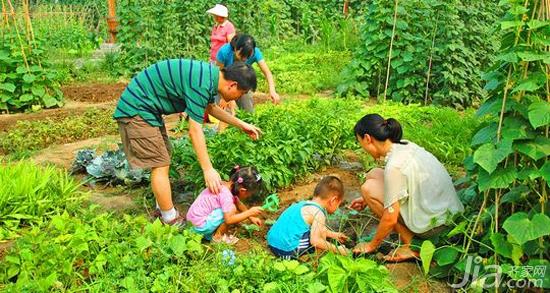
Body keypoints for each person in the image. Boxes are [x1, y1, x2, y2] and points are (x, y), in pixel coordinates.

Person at [113, 59, 261, 227]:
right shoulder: (202, 83)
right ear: (232, 85)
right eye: (241, 94)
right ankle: (169, 219)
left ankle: (162, 209)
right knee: (160, 163)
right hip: (137, 110)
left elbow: (210, 108)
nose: (239, 97)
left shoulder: (209, 77)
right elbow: (195, 130)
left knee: (163, 157)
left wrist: (242, 124)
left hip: (147, 110)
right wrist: (208, 169)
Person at [349, 114, 464, 262]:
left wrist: (371, 245)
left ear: (367, 138)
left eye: (360, 143)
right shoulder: (404, 145)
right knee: (374, 174)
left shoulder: (394, 166)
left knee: (369, 189)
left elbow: (390, 218)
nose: (363, 149)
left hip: (436, 226)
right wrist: (367, 200)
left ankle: (411, 245)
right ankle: (412, 242)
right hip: (449, 216)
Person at [267, 176, 349, 259]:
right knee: (319, 240)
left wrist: (333, 235)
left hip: (272, 243)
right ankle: (314, 259)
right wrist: (337, 249)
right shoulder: (319, 213)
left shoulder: (302, 204)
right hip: (286, 251)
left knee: (313, 231)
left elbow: (318, 228)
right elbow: (315, 241)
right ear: (333, 200)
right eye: (339, 204)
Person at [186, 166, 264, 242]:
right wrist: (249, 212)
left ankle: (208, 234)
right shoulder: (227, 197)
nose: (249, 196)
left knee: (230, 207)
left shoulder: (226, 185)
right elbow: (229, 220)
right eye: (250, 194)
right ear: (243, 190)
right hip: (199, 226)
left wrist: (251, 217)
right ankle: (217, 237)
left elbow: (238, 203)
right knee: (232, 209)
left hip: (192, 222)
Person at [216, 34, 281, 113]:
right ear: (236, 48)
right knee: (224, 111)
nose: (244, 59)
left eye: (248, 57)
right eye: (242, 56)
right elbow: (218, 77)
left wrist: (272, 91)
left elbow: (267, 73)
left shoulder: (255, 52)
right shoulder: (224, 52)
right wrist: (226, 98)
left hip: (242, 82)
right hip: (224, 84)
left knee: (248, 112)